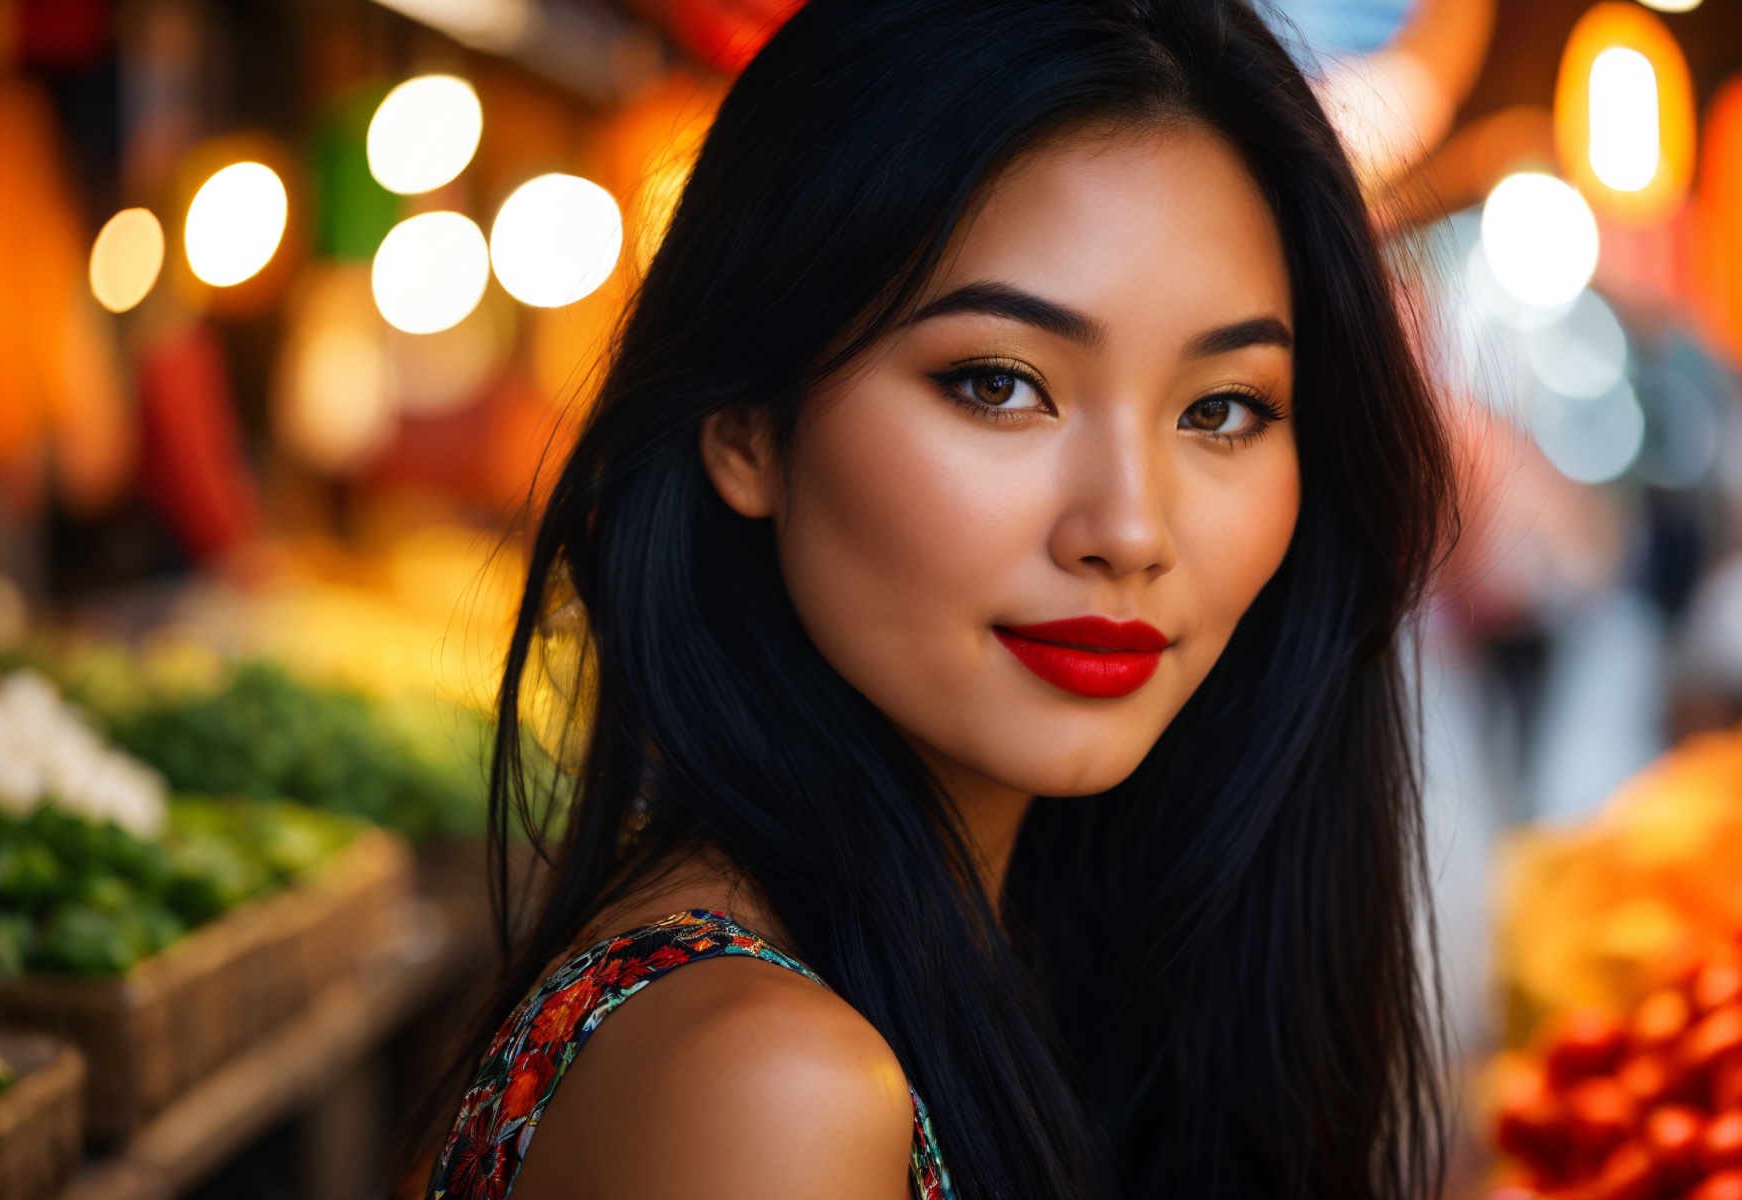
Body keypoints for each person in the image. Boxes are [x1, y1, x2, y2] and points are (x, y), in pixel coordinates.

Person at [419, 1, 1456, 1196]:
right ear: (747, 425)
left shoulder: (1033, 966)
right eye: (998, 383)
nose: (1127, 530)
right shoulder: (769, 1091)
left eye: (1219, 409)